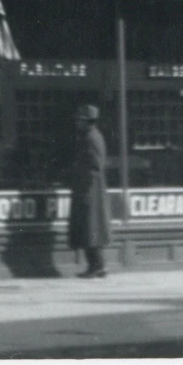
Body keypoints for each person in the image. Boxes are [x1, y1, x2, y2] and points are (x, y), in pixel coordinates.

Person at [68, 102, 111, 279]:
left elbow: (96, 166)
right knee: (90, 228)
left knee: (90, 228)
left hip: (89, 190)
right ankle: (96, 265)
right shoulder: (90, 136)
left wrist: (82, 181)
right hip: (89, 189)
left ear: (88, 121)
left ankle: (97, 266)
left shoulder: (90, 138)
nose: (77, 122)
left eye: (80, 120)